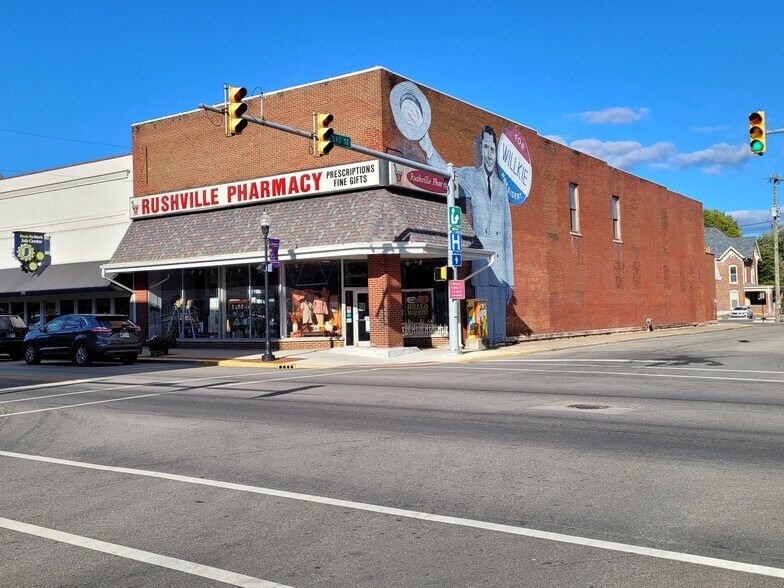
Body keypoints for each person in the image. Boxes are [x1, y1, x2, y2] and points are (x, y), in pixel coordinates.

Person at [418, 125, 513, 346]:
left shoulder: (502, 188)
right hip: (481, 259)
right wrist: (427, 145)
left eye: (493, 150)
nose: (489, 154)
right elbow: (445, 171)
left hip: (499, 262)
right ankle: (483, 340)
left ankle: (497, 340)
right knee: (481, 306)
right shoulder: (469, 176)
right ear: (481, 150)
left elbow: (508, 235)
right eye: (486, 148)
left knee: (498, 320)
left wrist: (511, 279)